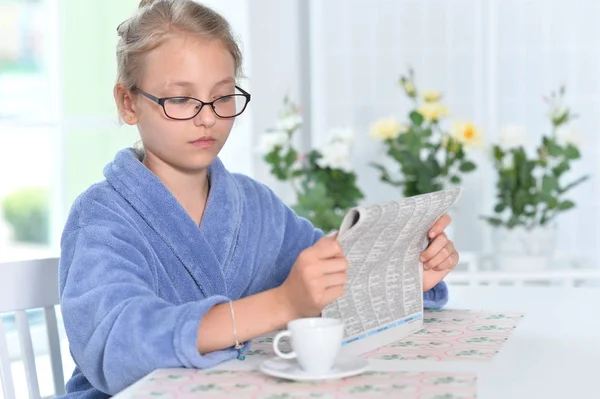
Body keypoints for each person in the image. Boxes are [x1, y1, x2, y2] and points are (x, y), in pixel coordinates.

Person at [57, 0, 459, 397]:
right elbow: (116, 347)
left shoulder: (253, 207)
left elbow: (324, 287)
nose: (208, 117)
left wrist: (404, 274)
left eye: (223, 96)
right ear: (128, 103)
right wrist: (282, 304)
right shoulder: (102, 219)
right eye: (180, 99)